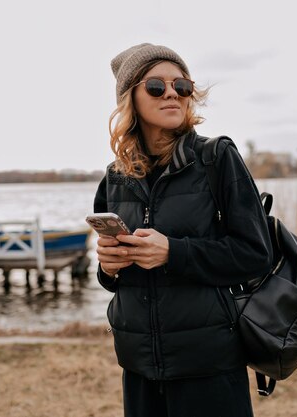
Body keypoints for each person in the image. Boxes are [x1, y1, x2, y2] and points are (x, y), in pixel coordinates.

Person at [94, 43, 273, 417]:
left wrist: (173, 253)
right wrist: (108, 267)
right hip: (139, 364)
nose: (172, 93)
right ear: (131, 98)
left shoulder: (217, 158)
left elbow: (256, 254)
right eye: (156, 86)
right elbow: (112, 279)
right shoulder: (115, 177)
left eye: (182, 85)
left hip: (208, 363)